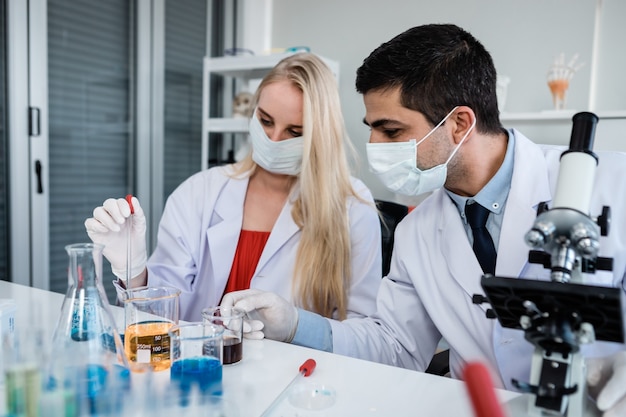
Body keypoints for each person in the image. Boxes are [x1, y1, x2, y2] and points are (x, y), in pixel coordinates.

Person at [221, 24, 626, 416]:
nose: (374, 146)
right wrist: (293, 324)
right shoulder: (417, 230)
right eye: (371, 129)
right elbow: (395, 346)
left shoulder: (611, 185)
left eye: (390, 130)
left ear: (459, 124)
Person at [84, 53, 382, 326]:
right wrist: (135, 270)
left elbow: (361, 333)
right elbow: (161, 315)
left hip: (298, 376)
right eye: (265, 121)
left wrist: (295, 328)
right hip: (204, 366)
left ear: (321, 135)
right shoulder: (198, 192)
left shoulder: (352, 207)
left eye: (294, 132)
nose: (274, 139)